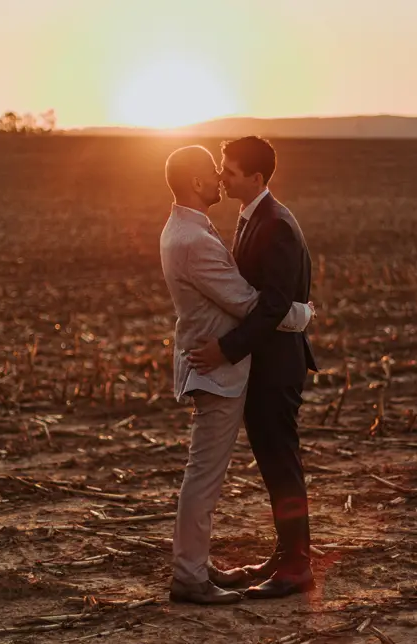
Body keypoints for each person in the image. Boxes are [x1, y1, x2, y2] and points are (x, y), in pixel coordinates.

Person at [159, 145, 314, 605]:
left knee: (277, 463)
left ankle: (294, 562)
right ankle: (201, 571)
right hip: (229, 367)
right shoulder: (196, 234)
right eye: (215, 171)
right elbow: (247, 301)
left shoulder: (261, 223)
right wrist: (302, 314)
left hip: (268, 365)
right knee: (218, 471)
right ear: (196, 183)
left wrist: (288, 318)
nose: (221, 178)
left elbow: (259, 302)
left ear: (256, 176)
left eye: (228, 171)